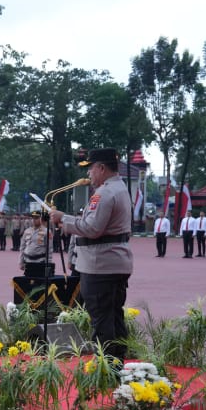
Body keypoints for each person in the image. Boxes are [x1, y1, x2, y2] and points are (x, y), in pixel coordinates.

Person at [50, 148, 133, 362]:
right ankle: (117, 364)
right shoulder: (120, 188)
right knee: (114, 317)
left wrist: (63, 219)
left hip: (100, 266)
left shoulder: (105, 192)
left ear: (102, 168)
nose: (89, 174)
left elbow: (92, 228)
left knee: (102, 321)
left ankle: (106, 369)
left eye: (91, 169)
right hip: (115, 263)